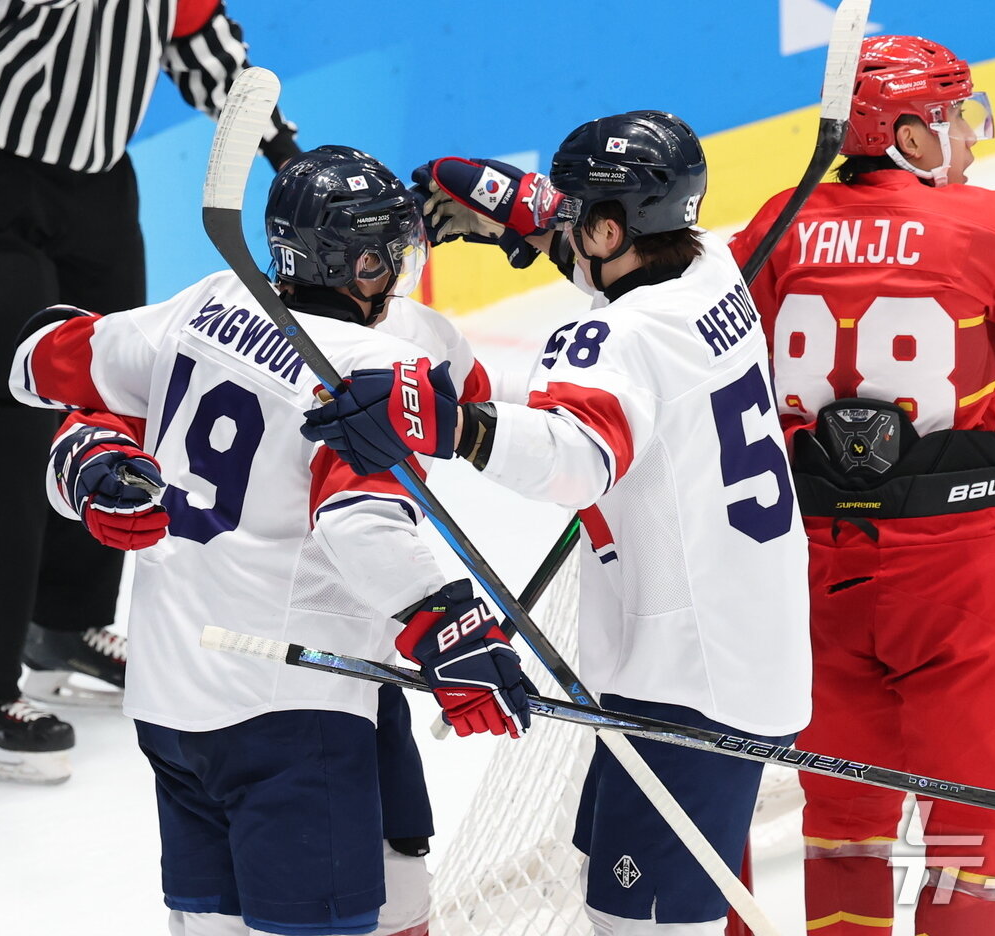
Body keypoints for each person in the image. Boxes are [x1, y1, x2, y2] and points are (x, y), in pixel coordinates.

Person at [301, 112, 813, 936]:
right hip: (740, 646)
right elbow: (608, 250)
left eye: (577, 215)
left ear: (611, 228)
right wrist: (518, 206)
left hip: (686, 684)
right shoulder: (712, 267)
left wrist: (449, 426)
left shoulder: (613, 339)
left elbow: (575, 457)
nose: (564, 226)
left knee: (637, 924)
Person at [7, 146, 533, 936]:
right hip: (291, 707)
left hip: (174, 692)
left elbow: (37, 359)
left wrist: (85, 459)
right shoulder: (374, 360)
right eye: (389, 254)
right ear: (359, 266)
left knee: (340, 889)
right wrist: (450, 625)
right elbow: (360, 521)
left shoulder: (207, 303)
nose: (402, 268)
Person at [726, 36, 995, 936]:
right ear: (902, 133)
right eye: (949, 119)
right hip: (957, 576)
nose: (970, 141)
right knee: (976, 835)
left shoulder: (780, 222)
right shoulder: (982, 221)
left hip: (817, 571)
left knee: (845, 824)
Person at [0, 0, 300, 783]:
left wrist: (282, 149)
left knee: (113, 387)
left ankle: (65, 623)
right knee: (12, 411)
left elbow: (192, 28)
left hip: (93, 182)